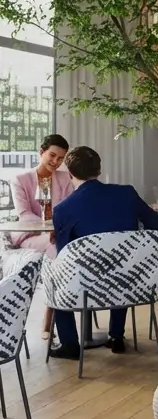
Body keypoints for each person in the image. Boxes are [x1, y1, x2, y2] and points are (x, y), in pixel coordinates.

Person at [49, 146, 158, 360]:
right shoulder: (127, 193)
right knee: (119, 262)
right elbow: (156, 225)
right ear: (99, 170)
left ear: (71, 174)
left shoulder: (63, 209)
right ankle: (117, 336)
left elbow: (64, 255)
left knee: (55, 277)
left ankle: (70, 344)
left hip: (86, 286)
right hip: (132, 281)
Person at [11, 134, 74, 338]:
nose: (56, 162)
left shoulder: (65, 178)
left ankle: (56, 315)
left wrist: (59, 228)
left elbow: (68, 209)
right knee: (56, 248)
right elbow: (25, 215)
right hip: (30, 235)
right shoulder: (20, 180)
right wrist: (51, 228)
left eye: (61, 158)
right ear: (41, 153)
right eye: (52, 156)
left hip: (58, 234)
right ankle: (50, 319)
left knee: (63, 249)